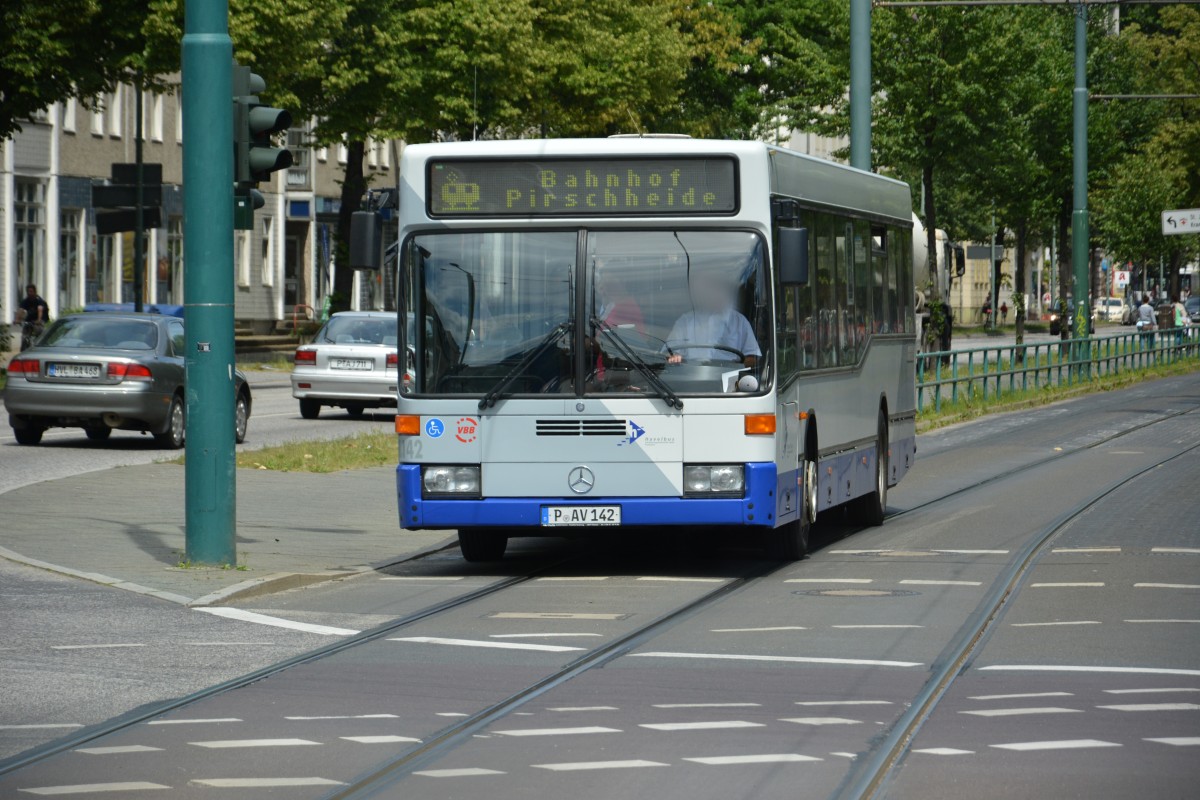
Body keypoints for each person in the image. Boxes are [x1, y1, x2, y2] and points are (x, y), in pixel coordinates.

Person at [666, 271, 761, 366]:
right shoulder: (685, 321)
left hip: (729, 377)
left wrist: (735, 366)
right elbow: (669, 353)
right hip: (688, 376)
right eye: (709, 289)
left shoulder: (739, 322)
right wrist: (675, 358)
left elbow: (753, 357)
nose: (714, 293)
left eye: (718, 288)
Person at [17, 284, 49, 351]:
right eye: (28, 291)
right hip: (30, 319)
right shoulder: (26, 301)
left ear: (35, 292)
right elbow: (21, 310)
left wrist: (39, 320)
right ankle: (23, 348)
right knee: (24, 335)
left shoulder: (39, 300)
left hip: (41, 318)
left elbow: (40, 310)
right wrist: (17, 319)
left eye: (31, 291)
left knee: (40, 332)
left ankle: (41, 347)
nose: (29, 293)